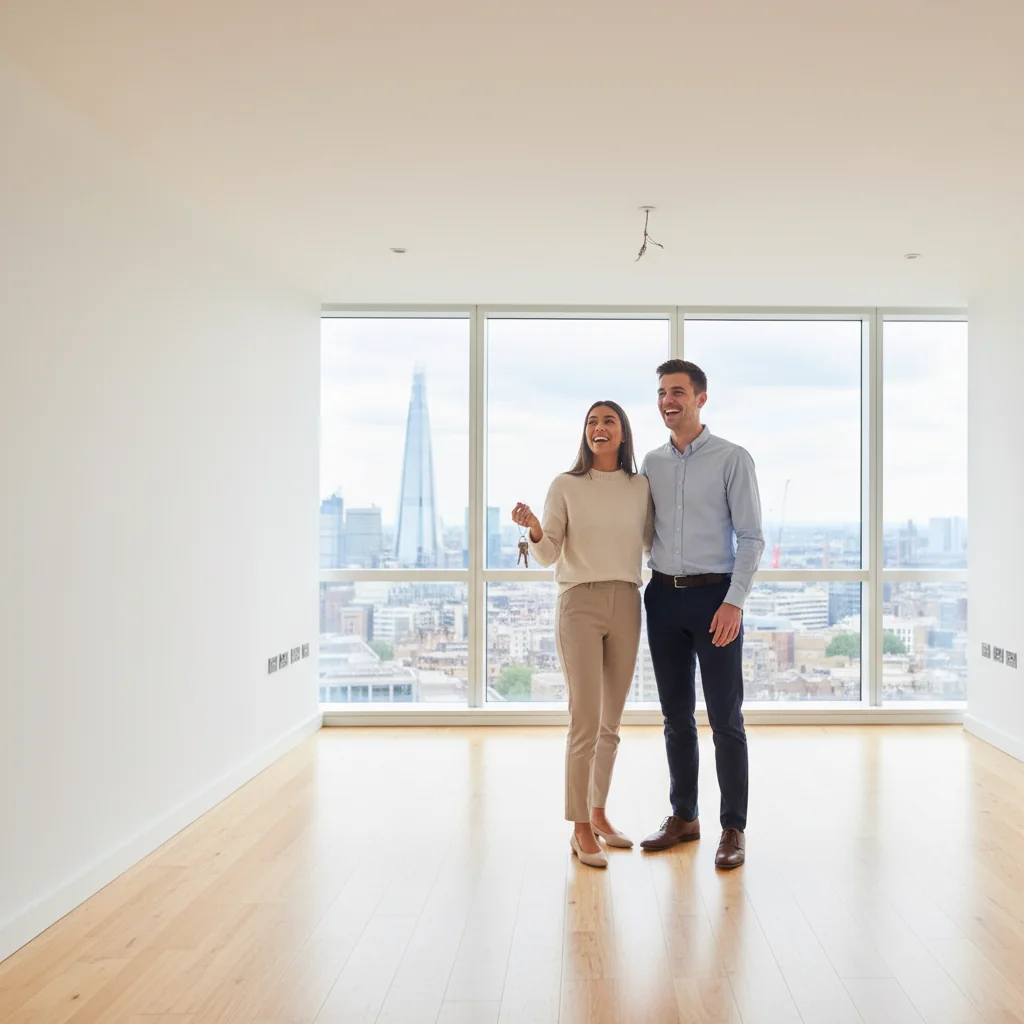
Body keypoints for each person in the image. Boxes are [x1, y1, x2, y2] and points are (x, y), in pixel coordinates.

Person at [512, 401, 653, 869]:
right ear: (584, 434)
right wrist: (534, 529)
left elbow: (654, 541)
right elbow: (550, 553)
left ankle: (598, 813)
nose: (599, 428)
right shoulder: (565, 486)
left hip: (628, 602)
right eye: (592, 421)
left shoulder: (640, 487)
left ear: (623, 433)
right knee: (585, 720)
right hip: (580, 604)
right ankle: (578, 828)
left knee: (611, 722)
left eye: (608, 421)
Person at [639, 359, 764, 869]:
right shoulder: (650, 462)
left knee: (725, 718)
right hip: (663, 597)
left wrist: (734, 601)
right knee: (674, 717)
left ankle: (732, 828)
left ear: (701, 398)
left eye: (679, 392)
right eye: (663, 393)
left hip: (716, 600)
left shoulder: (733, 458)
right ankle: (684, 816)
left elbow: (752, 537)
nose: (669, 401)